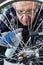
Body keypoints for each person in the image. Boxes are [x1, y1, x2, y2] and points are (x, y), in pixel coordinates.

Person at [0, 1, 43, 65]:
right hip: (12, 53)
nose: (25, 17)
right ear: (14, 8)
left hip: (38, 55)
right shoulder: (8, 13)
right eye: (20, 12)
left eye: (30, 11)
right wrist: (2, 40)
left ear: (37, 8)